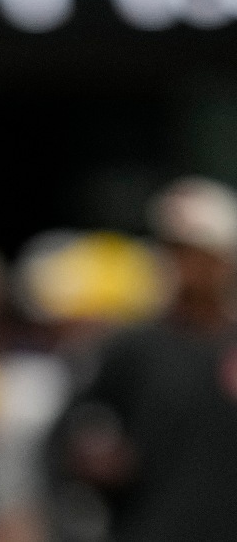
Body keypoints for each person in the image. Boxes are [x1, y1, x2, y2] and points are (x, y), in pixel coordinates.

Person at [43, 175, 237, 542]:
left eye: (196, 252)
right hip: (150, 527)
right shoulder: (135, 347)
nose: (184, 264)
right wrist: (91, 457)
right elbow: (66, 432)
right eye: (174, 249)